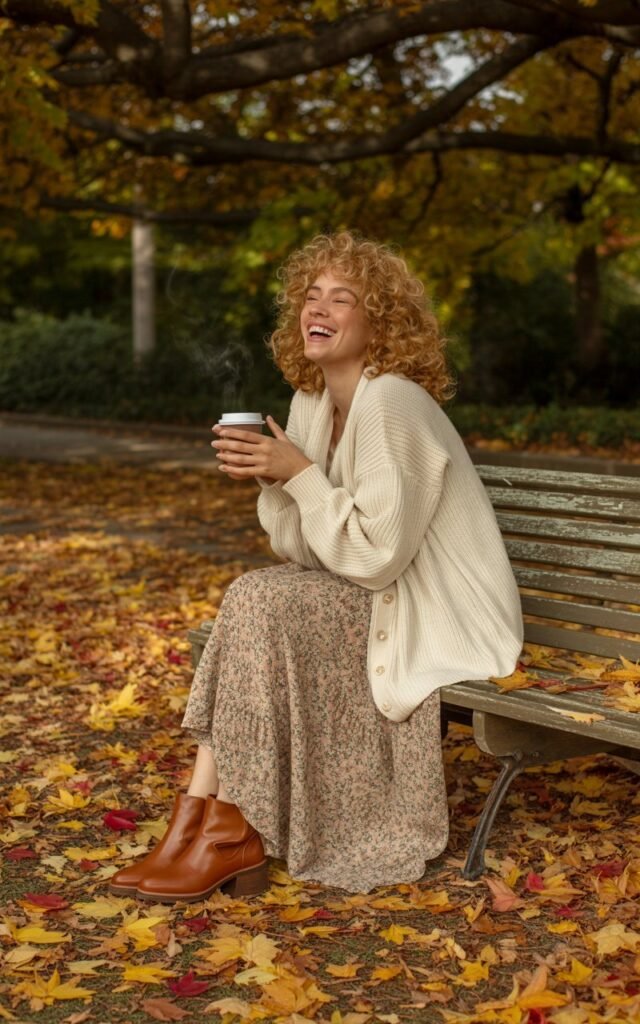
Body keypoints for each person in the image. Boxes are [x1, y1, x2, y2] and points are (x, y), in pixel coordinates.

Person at [108, 230, 524, 903]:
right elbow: (302, 551)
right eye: (310, 295)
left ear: (379, 322)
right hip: (377, 586)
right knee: (258, 595)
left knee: (260, 602)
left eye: (342, 297)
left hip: (439, 605)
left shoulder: (393, 402)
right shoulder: (310, 403)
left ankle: (211, 831)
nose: (317, 307)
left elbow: (376, 557)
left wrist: (298, 472)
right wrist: (275, 480)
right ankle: (201, 825)